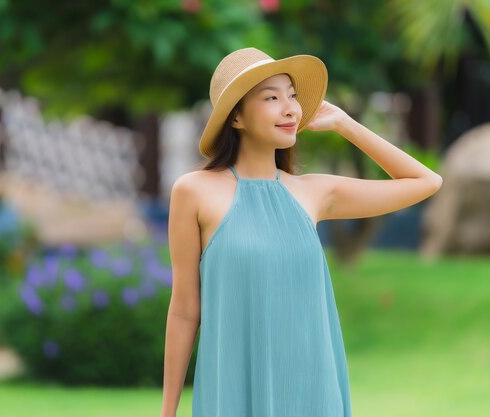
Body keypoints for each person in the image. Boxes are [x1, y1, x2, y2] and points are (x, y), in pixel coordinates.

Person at [160, 47, 443, 417]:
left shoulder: (315, 192)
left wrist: (345, 124)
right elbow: (184, 310)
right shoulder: (193, 191)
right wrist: (168, 411)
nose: (290, 107)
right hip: (233, 391)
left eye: (292, 96)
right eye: (272, 98)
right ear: (236, 119)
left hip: (312, 392)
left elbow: (426, 181)